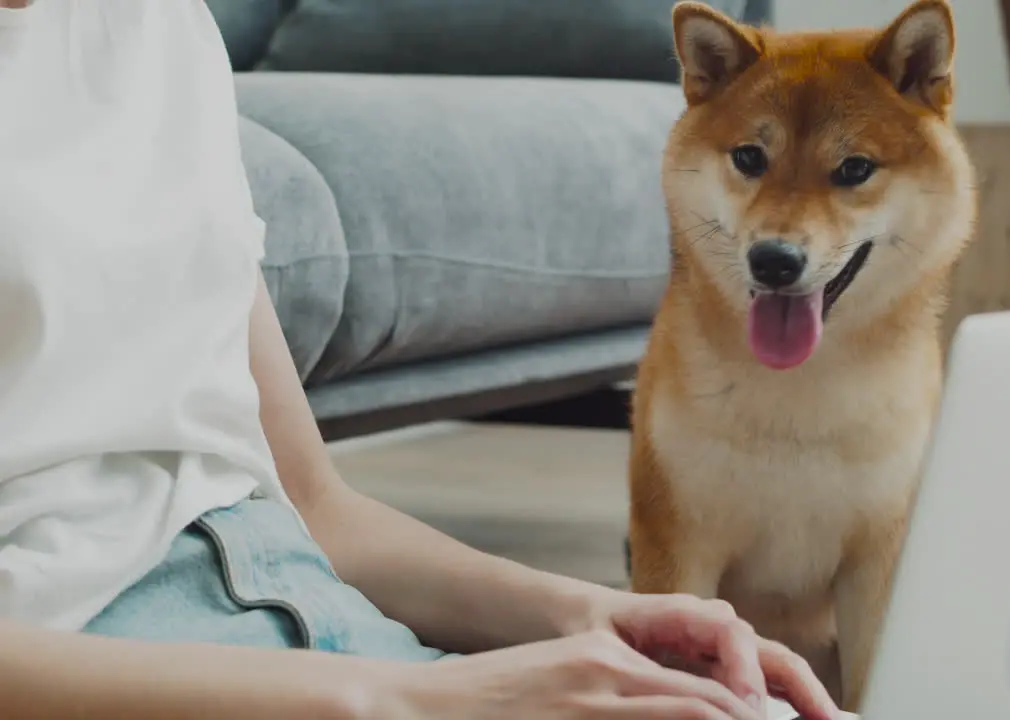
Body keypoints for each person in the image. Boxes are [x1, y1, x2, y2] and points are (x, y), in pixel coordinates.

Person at [0, 0, 841, 718]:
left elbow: (311, 503)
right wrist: (420, 702)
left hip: (335, 638)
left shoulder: (156, 25)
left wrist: (589, 618)